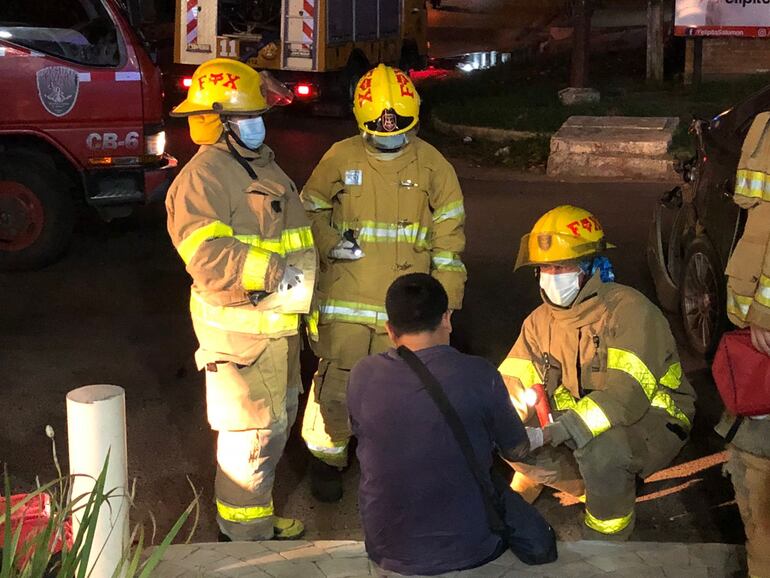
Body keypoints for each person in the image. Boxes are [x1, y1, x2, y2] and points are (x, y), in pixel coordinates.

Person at [300, 64, 467, 502]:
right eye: (380, 130)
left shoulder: (433, 165)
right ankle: (327, 459)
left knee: (407, 394)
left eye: (400, 129)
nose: (390, 136)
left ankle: (397, 466)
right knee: (338, 386)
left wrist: (444, 306)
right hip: (347, 300)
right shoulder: (340, 157)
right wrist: (330, 243)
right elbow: (308, 209)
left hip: (409, 307)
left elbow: (450, 241)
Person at [165, 58, 316, 541]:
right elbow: (206, 256)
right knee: (250, 441)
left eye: (258, 114)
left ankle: (260, 518)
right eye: (247, 116)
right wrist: (274, 270)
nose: (258, 123)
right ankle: (245, 543)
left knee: (273, 430)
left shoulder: (254, 163)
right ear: (218, 122)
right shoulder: (203, 178)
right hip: (243, 340)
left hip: (275, 332)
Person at [499, 205, 697, 540]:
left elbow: (624, 399)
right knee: (506, 431)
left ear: (590, 266)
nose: (551, 276)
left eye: (561, 266)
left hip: (653, 417)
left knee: (605, 450)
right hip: (579, 421)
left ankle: (606, 540)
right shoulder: (539, 321)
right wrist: (505, 421)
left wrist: (550, 434)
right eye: (545, 267)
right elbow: (513, 381)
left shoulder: (630, 312)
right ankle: (592, 484)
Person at [348, 273, 556, 576]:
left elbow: (364, 433)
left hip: (386, 547)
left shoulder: (362, 374)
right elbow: (516, 449)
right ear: (447, 318)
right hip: (473, 548)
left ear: (389, 330)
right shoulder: (479, 374)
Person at [715, 112, 770, 578]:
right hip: (754, 324)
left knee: (757, 470)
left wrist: (765, 314)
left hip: (764, 329)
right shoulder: (763, 123)